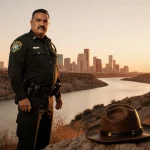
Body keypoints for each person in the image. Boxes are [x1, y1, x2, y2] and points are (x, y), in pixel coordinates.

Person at [8, 9, 63, 150]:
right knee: (27, 142)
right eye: (38, 20)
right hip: (31, 100)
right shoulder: (21, 43)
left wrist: (58, 95)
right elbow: (14, 73)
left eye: (45, 21)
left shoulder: (50, 45)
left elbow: (55, 71)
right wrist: (22, 97)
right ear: (31, 22)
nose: (42, 24)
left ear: (48, 24)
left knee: (44, 142)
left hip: (48, 101)